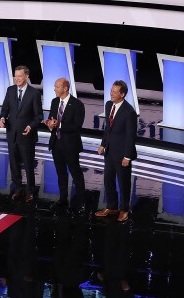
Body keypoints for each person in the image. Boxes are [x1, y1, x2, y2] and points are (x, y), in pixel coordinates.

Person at [95, 80, 138, 222]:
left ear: (122, 94)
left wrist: (127, 156)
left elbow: (131, 136)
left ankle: (124, 209)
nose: (111, 94)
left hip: (122, 154)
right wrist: (103, 144)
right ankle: (112, 206)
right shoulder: (109, 105)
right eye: (111, 91)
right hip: (109, 152)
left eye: (114, 92)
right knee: (108, 180)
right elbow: (108, 127)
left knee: (123, 183)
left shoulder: (129, 111)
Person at [0, 65, 42, 202]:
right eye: (15, 76)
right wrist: (2, 118)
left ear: (27, 76)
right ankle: (18, 188)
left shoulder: (34, 93)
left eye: (20, 76)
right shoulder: (10, 90)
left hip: (26, 135)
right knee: (14, 164)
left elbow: (39, 116)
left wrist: (30, 126)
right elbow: (5, 108)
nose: (17, 78)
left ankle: (30, 191)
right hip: (12, 133)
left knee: (28, 165)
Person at [45, 77, 86, 212]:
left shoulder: (77, 104)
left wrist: (59, 125)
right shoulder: (54, 101)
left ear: (65, 88)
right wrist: (49, 123)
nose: (54, 89)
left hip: (70, 145)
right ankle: (63, 199)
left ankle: (81, 202)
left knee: (76, 174)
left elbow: (77, 126)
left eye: (57, 87)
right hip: (56, 143)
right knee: (61, 174)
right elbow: (52, 118)